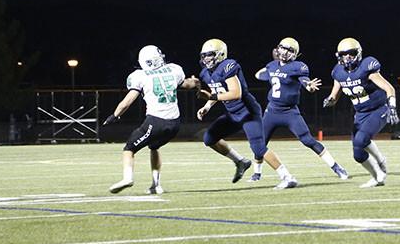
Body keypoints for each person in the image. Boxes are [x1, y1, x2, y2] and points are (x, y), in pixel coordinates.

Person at [197, 39, 298, 190]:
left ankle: (287, 177)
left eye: (210, 55)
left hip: (248, 111)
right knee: (209, 138)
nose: (206, 59)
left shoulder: (228, 66)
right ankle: (240, 161)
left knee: (258, 148)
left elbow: (235, 93)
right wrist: (207, 106)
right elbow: (216, 90)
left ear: (220, 54)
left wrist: (212, 98)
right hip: (233, 113)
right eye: (204, 56)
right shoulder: (205, 73)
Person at [102, 45, 200, 194]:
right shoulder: (174, 69)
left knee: (129, 149)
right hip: (175, 123)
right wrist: (195, 82)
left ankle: (127, 178)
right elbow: (187, 84)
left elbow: (126, 102)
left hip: (156, 121)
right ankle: (156, 185)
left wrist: (114, 116)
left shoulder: (140, 76)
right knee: (154, 147)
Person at [255, 37, 349, 181]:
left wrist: (309, 86)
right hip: (272, 111)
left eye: (289, 50)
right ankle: (257, 173)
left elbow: (304, 81)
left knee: (308, 140)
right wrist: (268, 69)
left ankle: (336, 167)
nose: (285, 52)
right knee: (259, 143)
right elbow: (259, 75)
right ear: (278, 48)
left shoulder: (298, 66)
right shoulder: (272, 65)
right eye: (283, 48)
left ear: (295, 54)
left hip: (289, 112)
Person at [322, 38, 398, 188]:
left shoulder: (366, 67)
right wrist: (330, 99)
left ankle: (379, 172)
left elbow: (390, 88)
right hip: (360, 114)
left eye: (351, 54)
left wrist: (393, 107)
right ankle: (378, 169)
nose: (347, 57)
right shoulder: (338, 72)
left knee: (360, 140)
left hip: (378, 109)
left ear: (358, 53)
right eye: (344, 54)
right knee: (358, 154)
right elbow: (335, 94)